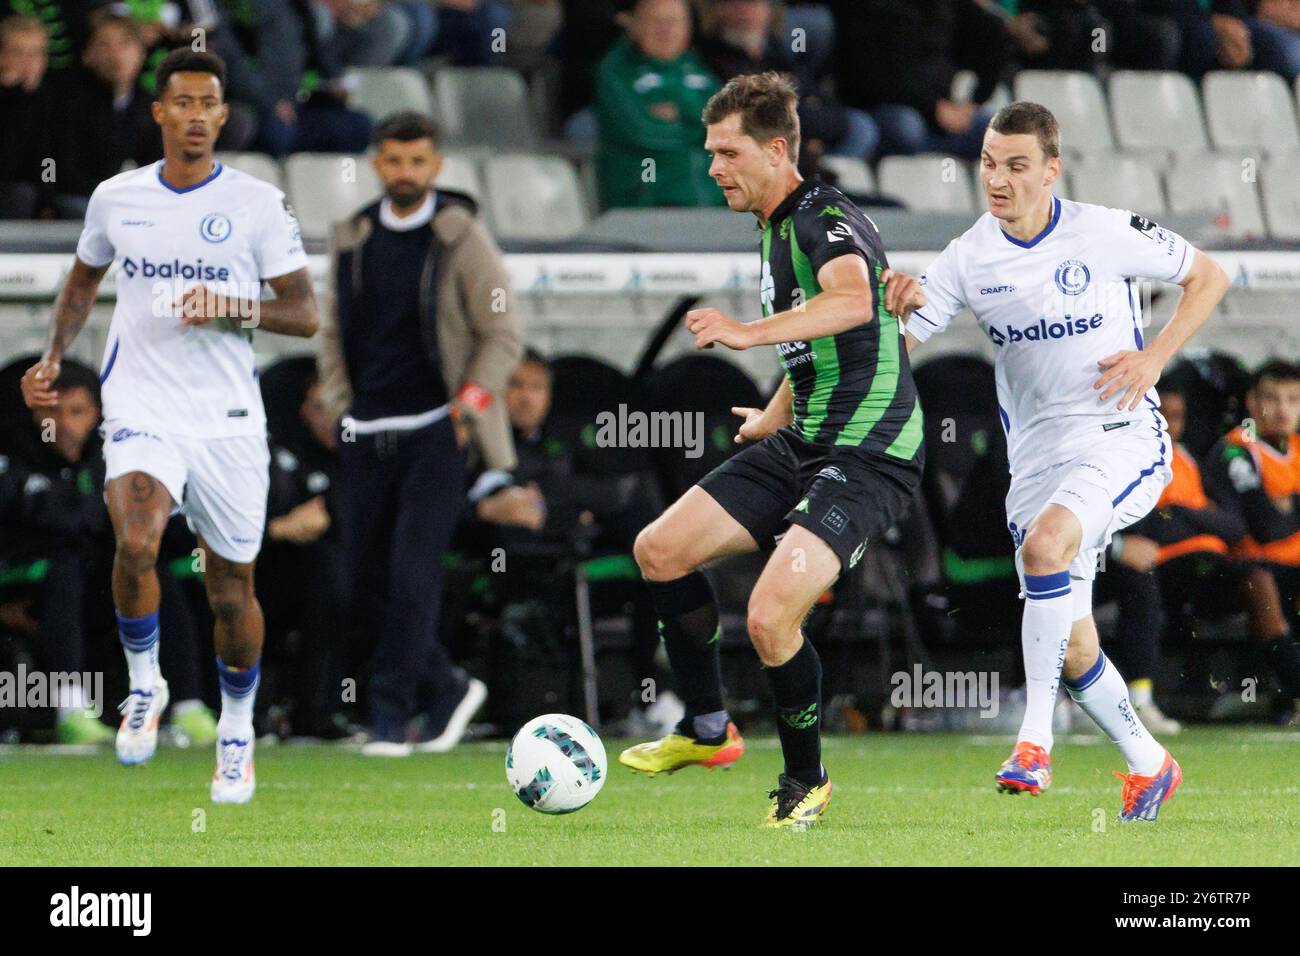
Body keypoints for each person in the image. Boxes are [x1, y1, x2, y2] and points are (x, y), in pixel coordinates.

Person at [884, 101, 1230, 821]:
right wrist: (887, 314)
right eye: (987, 163)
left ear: (1051, 169)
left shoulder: (1102, 230)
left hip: (1119, 436)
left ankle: (1033, 742)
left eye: (1015, 166)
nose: (998, 179)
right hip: (1036, 463)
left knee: (1046, 547)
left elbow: (1211, 277)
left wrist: (1154, 357)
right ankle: (1150, 763)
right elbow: (893, 352)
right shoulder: (970, 257)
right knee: (1073, 647)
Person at [620, 72, 925, 828]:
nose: (714, 166)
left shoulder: (821, 213)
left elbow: (854, 302)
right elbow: (828, 341)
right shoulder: (774, 225)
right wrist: (773, 411)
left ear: (777, 149)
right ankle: (705, 727)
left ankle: (806, 780)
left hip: (868, 450)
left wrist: (743, 332)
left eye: (728, 152)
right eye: (710, 151)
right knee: (659, 550)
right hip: (803, 436)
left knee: (768, 616)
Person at [19, 48, 319, 803]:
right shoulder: (118, 198)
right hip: (142, 407)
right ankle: (145, 684)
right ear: (159, 112)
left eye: (206, 103)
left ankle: (237, 729)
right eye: (180, 102)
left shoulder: (257, 204)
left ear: (222, 114)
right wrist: (54, 356)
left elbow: (305, 313)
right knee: (139, 536)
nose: (193, 116)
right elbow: (84, 278)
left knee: (229, 591)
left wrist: (232, 306)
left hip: (226, 422)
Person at [318, 110, 522, 756]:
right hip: (365, 429)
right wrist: (339, 404)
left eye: (417, 161)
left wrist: (469, 404)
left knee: (412, 575)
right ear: (377, 164)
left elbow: (502, 333)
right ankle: (449, 686)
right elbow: (331, 331)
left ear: (436, 166)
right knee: (356, 581)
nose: (405, 172)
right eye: (393, 160)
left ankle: (390, 718)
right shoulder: (350, 237)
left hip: (437, 431)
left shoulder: (461, 238)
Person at [1203, 359, 1300, 720]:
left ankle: (1279, 697)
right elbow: (1265, 525)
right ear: (1251, 402)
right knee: (1261, 582)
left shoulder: (1298, 449)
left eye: (1292, 399)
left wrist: (1284, 504)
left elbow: (1280, 516)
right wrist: (1283, 507)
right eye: (1272, 399)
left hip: (1289, 567)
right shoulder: (1234, 450)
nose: (1282, 409)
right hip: (1236, 570)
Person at [594, 0, 725, 208]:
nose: (666, 29)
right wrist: (704, 129)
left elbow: (731, 130)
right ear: (633, 24)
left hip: (714, 205)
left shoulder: (699, 70)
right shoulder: (616, 71)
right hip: (648, 202)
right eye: (656, 20)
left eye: (674, 21)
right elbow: (644, 134)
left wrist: (682, 112)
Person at [50, 9, 161, 219]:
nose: (116, 54)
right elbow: (63, 172)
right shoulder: (67, 102)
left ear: (141, 52)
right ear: (88, 55)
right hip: (81, 201)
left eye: (125, 44)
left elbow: (158, 167)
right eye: (104, 44)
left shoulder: (150, 105)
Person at [0, 13, 52, 218]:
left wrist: (48, 199)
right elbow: (8, 159)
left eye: (36, 54)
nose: (28, 62)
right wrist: (15, 94)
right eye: (19, 53)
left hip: (33, 192)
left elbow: (49, 159)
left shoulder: (50, 99)